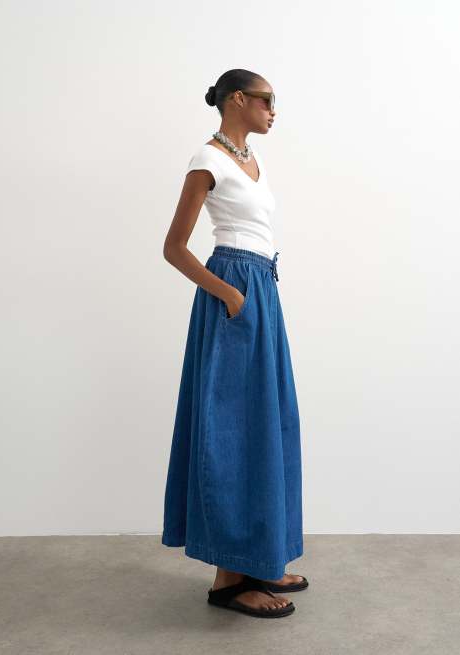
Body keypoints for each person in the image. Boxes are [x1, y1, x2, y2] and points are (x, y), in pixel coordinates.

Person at [161, 69, 308, 619]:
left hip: (261, 290)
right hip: (235, 292)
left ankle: (261, 559)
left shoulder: (252, 160)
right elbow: (175, 247)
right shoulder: (208, 159)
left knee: (269, 421)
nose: (274, 110)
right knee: (231, 428)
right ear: (238, 99)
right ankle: (228, 579)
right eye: (267, 100)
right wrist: (230, 296)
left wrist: (254, 296)